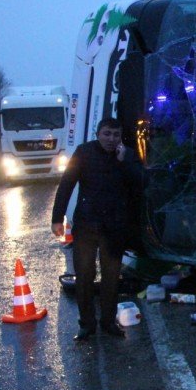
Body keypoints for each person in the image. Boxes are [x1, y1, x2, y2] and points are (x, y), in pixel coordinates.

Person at [51, 117, 142, 341]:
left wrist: (125, 162)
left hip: (114, 227)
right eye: (107, 134)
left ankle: (109, 322)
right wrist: (57, 218)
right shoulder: (83, 152)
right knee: (84, 276)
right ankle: (87, 325)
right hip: (86, 225)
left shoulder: (127, 155)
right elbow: (66, 184)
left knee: (111, 277)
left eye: (116, 135)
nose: (111, 139)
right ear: (98, 134)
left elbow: (142, 183)